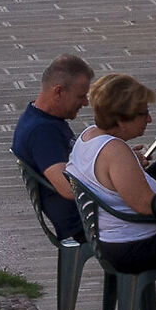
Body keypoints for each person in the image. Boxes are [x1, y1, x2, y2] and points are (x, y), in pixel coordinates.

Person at [65, 72, 156, 277]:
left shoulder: (89, 135)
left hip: (109, 238)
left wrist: (130, 164)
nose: (149, 119)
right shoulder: (115, 151)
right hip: (132, 245)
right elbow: (146, 206)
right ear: (121, 120)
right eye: (144, 113)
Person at [11, 53, 93, 239]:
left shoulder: (42, 118)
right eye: (80, 96)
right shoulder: (42, 132)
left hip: (89, 214)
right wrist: (112, 178)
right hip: (86, 222)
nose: (85, 103)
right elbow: (68, 189)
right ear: (58, 92)